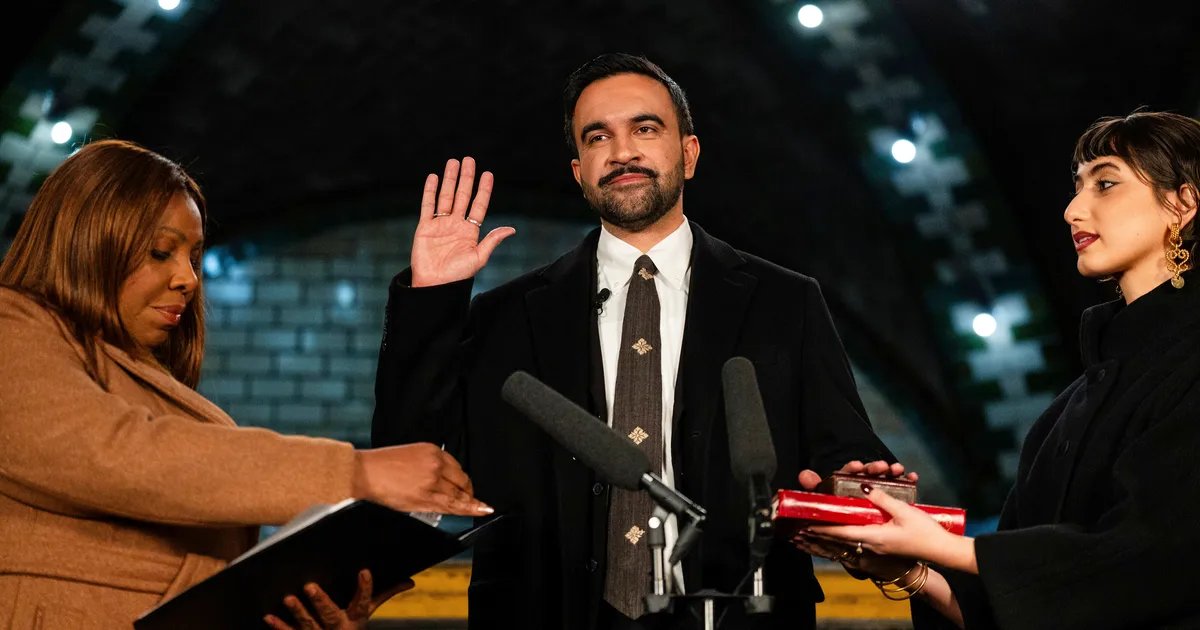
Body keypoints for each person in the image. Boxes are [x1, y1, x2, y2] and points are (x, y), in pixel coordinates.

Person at [372, 52, 909, 630]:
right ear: (579, 172)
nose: (622, 151)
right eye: (597, 136)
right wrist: (432, 297)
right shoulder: (506, 316)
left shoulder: (786, 302)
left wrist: (856, 491)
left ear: (689, 153)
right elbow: (408, 463)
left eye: (645, 128)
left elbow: (841, 459)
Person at [0, 139, 492, 630]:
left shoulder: (148, 380)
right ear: (88, 242)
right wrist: (357, 474)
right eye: (160, 252)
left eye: (193, 257)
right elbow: (112, 453)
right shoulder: (12, 328)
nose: (188, 280)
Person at [796, 110, 1200, 629]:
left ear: (1183, 203)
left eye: (1105, 184)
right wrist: (905, 563)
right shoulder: (1067, 411)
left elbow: (1154, 558)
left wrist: (949, 547)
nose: (1073, 209)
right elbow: (1020, 608)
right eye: (1077, 187)